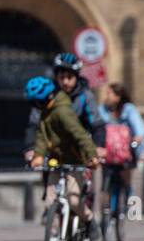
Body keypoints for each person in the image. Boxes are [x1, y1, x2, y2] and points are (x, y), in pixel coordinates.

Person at [27, 76, 100, 219]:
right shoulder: (45, 112)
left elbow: (80, 134)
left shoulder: (62, 112)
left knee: (74, 200)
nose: (36, 106)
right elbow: (42, 136)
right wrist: (38, 155)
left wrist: (92, 155)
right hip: (57, 159)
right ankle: (54, 238)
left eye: (38, 102)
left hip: (75, 159)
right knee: (50, 202)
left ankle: (89, 219)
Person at [97, 82, 144, 223]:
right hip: (108, 152)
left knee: (126, 180)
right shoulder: (103, 110)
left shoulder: (128, 109)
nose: (107, 96)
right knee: (106, 183)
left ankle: (132, 208)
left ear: (118, 97)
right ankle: (106, 211)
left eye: (110, 93)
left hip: (125, 152)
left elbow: (139, 129)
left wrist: (137, 140)